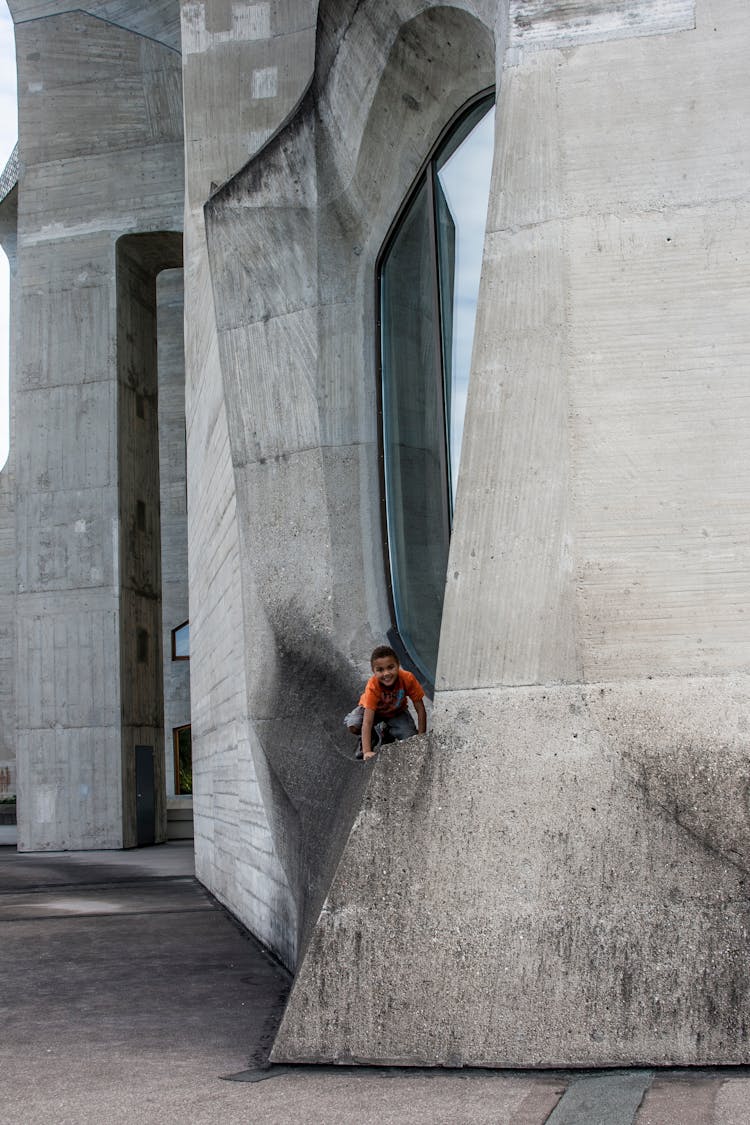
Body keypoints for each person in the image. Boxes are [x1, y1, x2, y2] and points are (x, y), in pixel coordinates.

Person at [344, 645, 427, 760]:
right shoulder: (373, 686)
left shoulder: (407, 678)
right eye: (380, 670)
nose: (386, 673)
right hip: (374, 713)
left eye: (390, 667)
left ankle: (386, 731)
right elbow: (367, 721)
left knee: (410, 740)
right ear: (374, 671)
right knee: (354, 724)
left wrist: (421, 737)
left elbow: (420, 708)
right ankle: (372, 738)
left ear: (398, 665)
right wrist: (367, 751)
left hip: (396, 712)